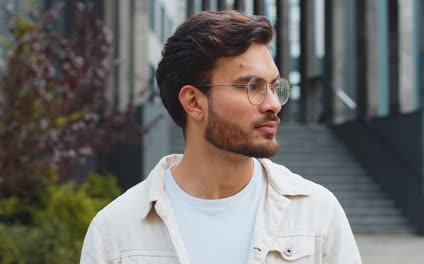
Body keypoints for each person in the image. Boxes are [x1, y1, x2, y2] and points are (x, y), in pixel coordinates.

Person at [80, 10, 362, 264]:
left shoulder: (316, 213)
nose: (274, 103)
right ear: (193, 102)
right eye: (252, 86)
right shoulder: (115, 231)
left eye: (276, 86)